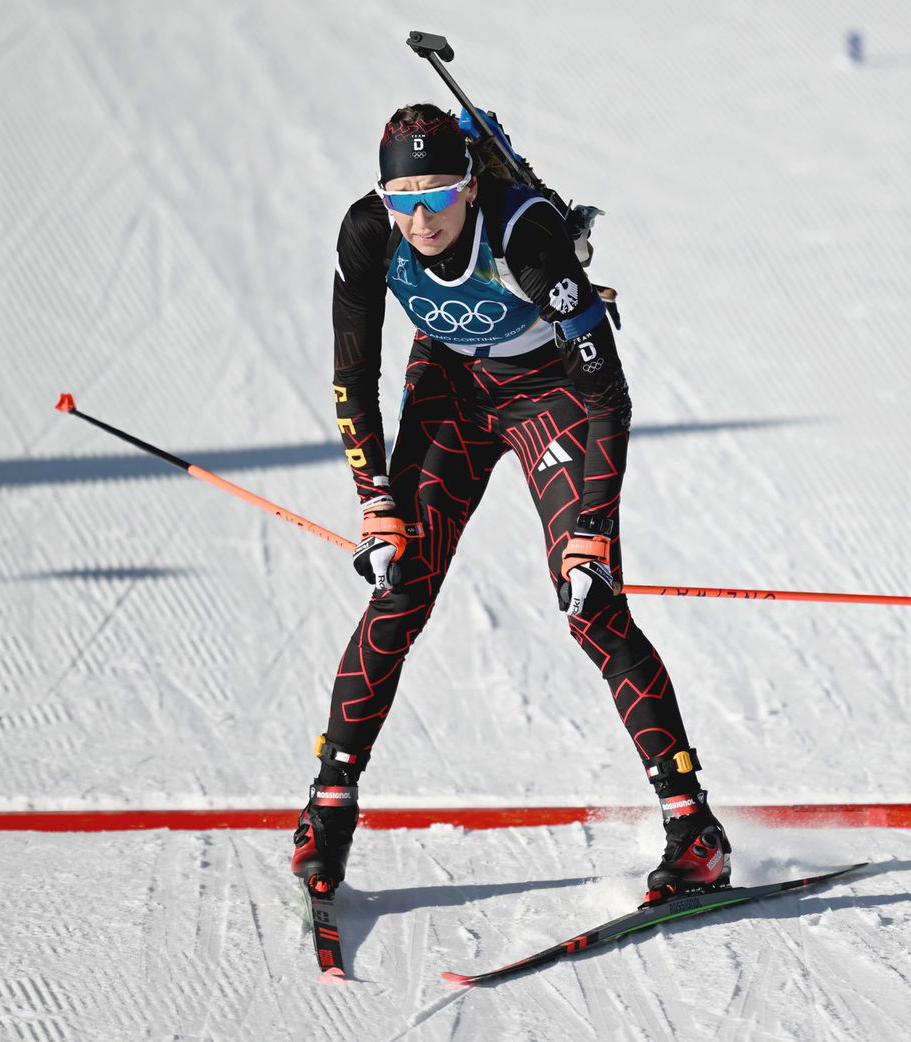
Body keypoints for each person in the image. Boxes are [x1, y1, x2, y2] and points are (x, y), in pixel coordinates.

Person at [290, 104, 729, 906]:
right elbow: (353, 375)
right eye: (402, 198)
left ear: (468, 185)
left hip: (549, 393)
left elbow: (607, 392)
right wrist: (374, 499)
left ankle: (693, 827)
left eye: (437, 195)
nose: (420, 218)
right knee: (399, 588)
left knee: (591, 604)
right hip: (450, 389)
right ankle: (327, 811)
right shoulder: (368, 232)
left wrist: (591, 532)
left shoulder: (524, 233)